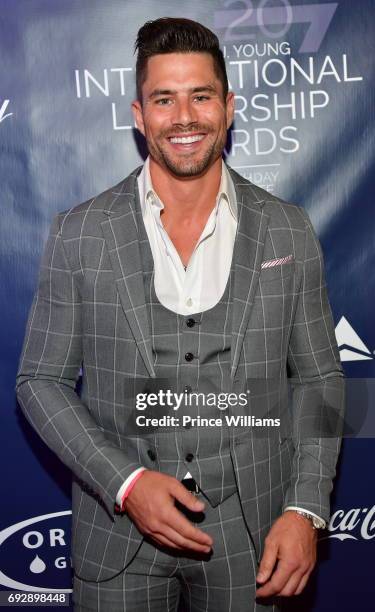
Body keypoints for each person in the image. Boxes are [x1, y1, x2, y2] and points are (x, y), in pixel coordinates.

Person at [16, 17, 345, 612]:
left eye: (201, 95)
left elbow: (321, 380)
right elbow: (40, 381)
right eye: (164, 99)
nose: (185, 116)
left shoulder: (287, 228)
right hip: (117, 541)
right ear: (140, 116)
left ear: (229, 107)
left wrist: (305, 508)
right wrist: (127, 483)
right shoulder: (81, 231)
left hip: (253, 535)